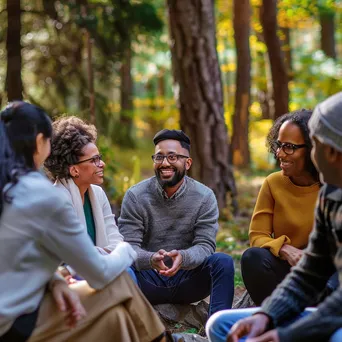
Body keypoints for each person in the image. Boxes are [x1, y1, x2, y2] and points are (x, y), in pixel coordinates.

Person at [0, 101, 174, 342]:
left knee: (117, 319)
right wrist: (127, 250)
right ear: (39, 141)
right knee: (119, 281)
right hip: (16, 322)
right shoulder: (43, 195)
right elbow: (100, 273)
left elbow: (16, 255)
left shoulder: (9, 189)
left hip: (19, 310)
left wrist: (55, 281)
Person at [206, 92, 342, 342]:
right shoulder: (330, 198)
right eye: (279, 145)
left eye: (317, 145)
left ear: (333, 151)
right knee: (219, 325)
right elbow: (310, 273)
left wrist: (286, 335)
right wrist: (266, 316)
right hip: (315, 309)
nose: (281, 153)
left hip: (333, 313)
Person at [118, 129, 235, 317]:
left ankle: (218, 329)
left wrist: (183, 257)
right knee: (121, 265)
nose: (165, 163)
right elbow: (127, 247)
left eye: (172, 157)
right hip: (147, 281)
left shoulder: (204, 197)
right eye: (159, 157)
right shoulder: (136, 196)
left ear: (187, 163)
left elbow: (205, 245)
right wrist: (150, 259)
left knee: (223, 262)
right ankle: (131, 329)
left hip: (189, 281)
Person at [241, 109, 338, 306]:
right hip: (288, 270)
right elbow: (257, 237)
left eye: (289, 147)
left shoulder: (334, 184)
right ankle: (276, 320)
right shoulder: (273, 183)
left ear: (313, 148)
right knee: (253, 258)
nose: (279, 153)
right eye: (278, 145)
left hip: (326, 273)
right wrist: (286, 249)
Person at [44, 117, 137, 281]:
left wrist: (94, 255)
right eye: (94, 160)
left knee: (125, 273)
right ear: (74, 170)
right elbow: (71, 257)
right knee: (126, 274)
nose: (102, 164)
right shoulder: (56, 200)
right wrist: (102, 255)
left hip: (98, 268)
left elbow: (116, 243)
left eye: (99, 158)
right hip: (68, 277)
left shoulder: (98, 194)